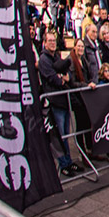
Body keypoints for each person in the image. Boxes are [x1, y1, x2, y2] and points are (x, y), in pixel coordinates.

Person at [37, 29, 80, 177]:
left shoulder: (55, 56)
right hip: (55, 101)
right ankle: (63, 163)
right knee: (60, 135)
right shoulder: (44, 60)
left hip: (64, 100)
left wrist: (62, 76)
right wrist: (62, 77)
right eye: (50, 41)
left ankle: (68, 160)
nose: (52, 43)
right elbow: (53, 79)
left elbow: (67, 73)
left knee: (66, 134)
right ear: (44, 42)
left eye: (54, 41)